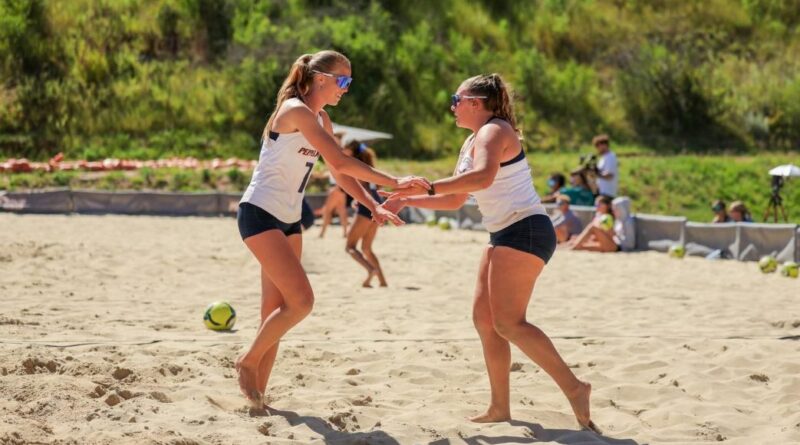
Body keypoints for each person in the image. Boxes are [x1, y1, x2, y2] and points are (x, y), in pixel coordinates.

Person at [380, 73, 597, 431]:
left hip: (525, 229)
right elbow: (453, 199)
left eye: (456, 98)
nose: (452, 106)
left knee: (509, 322)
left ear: (476, 103)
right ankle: (500, 407)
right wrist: (408, 198)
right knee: (485, 321)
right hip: (504, 232)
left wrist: (428, 184)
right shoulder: (472, 141)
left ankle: (576, 388)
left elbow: (481, 179)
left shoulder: (495, 131)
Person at [234, 50, 429, 406]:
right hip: (259, 213)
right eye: (343, 81)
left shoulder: (321, 120)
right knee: (302, 302)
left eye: (349, 82)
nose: (346, 88)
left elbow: (340, 174)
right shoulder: (295, 110)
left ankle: (257, 398)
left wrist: (374, 205)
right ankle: (247, 362)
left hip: (290, 220)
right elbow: (341, 160)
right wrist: (396, 180)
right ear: (320, 79)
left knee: (273, 313)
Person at [344, 140, 388, 287]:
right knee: (367, 248)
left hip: (368, 207)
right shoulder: (367, 164)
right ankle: (382, 281)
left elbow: (362, 188)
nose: (342, 150)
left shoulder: (354, 164)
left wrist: (361, 200)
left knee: (350, 247)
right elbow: (374, 187)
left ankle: (370, 270)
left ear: (352, 151)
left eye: (345, 148)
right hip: (377, 204)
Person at [569, 195, 635, 252]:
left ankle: (575, 245)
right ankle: (574, 245)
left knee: (592, 227)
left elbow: (630, 244)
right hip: (612, 244)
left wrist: (614, 235)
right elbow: (615, 235)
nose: (614, 211)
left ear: (622, 209)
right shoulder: (619, 221)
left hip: (617, 247)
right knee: (581, 247)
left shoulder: (628, 222)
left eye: (616, 209)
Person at [317, 133, 352, 238]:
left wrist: (336, 186)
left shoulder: (338, 152)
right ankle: (345, 232)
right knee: (342, 211)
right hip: (340, 187)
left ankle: (322, 233)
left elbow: (340, 171)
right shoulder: (340, 152)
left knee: (327, 211)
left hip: (337, 187)